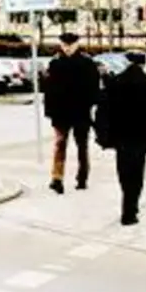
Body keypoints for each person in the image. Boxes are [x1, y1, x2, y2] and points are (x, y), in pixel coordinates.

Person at [95, 51, 146, 226]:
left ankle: (128, 203)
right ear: (142, 65)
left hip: (120, 136)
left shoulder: (114, 83)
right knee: (137, 173)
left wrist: (102, 136)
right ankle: (131, 208)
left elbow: (102, 111)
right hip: (141, 135)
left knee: (124, 171)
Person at [41, 32, 100, 194]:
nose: (67, 48)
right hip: (60, 113)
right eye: (64, 45)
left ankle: (82, 177)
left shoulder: (87, 63)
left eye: (70, 45)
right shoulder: (55, 63)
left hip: (81, 113)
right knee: (60, 144)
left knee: (82, 146)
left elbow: (94, 89)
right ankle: (57, 179)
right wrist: (50, 111)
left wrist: (91, 106)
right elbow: (48, 91)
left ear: (76, 45)